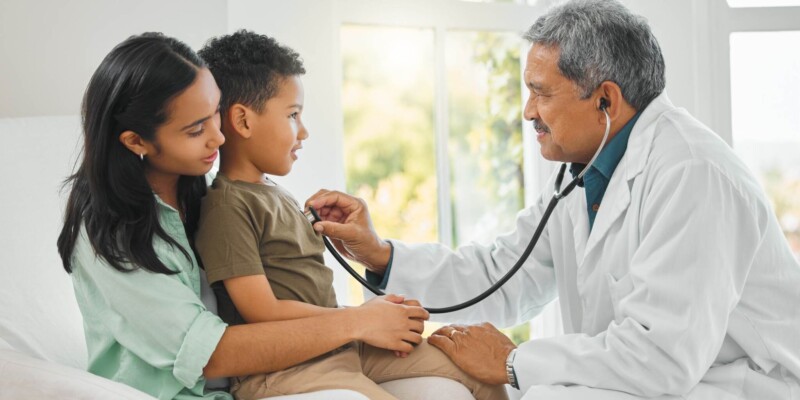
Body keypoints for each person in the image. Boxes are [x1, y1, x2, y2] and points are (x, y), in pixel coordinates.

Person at [305, 1, 800, 399]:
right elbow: (502, 273)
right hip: (669, 375)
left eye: (541, 94)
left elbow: (662, 356)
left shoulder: (694, 173)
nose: (527, 112)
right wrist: (380, 255)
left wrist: (513, 361)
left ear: (605, 99)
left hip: (743, 381)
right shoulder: (584, 170)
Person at [57, 32, 429, 400]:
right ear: (136, 141)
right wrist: (356, 322)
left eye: (214, 114)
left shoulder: (208, 193)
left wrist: (381, 316)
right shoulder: (109, 238)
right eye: (195, 129)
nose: (219, 138)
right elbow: (211, 354)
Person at [193, 30, 507, 400]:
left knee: (479, 372)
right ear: (243, 122)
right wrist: (361, 320)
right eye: (293, 115)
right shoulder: (227, 206)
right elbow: (262, 310)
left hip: (336, 346)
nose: (304, 131)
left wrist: (376, 317)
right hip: (281, 368)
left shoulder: (273, 192)